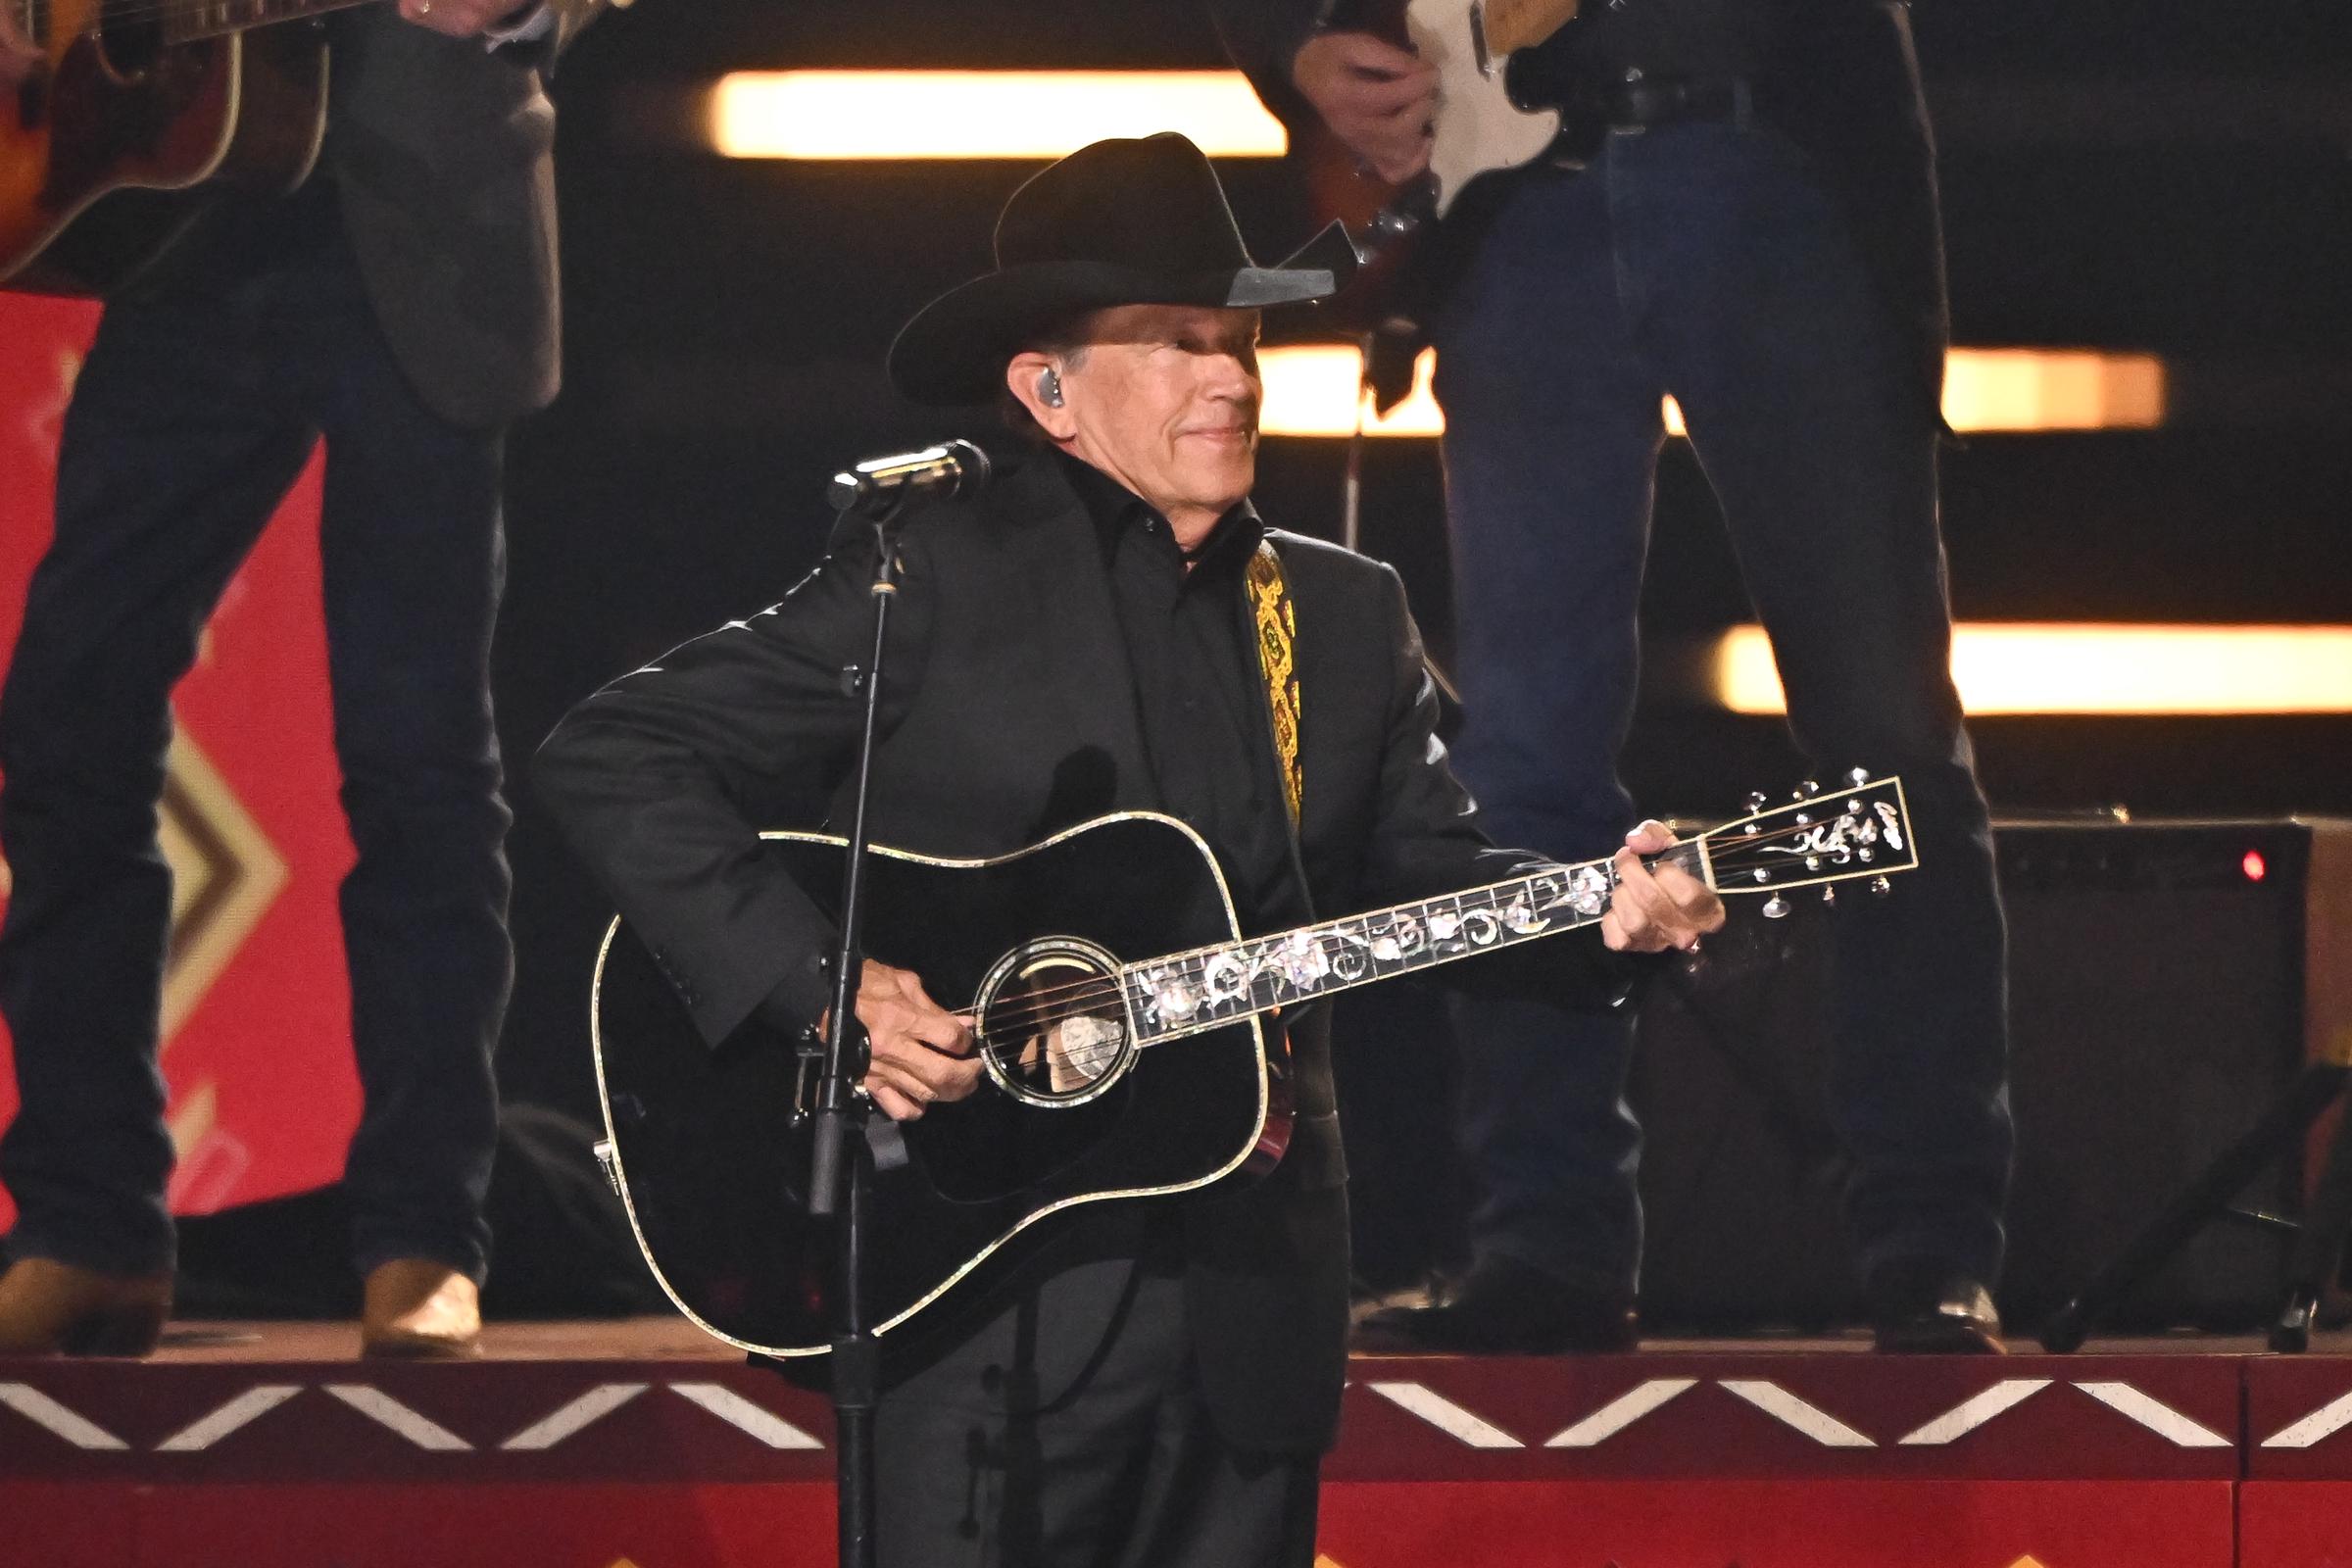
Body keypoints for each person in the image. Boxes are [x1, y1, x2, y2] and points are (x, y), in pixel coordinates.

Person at [534, 133, 1722, 1567]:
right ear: (1049, 390)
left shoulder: (1342, 619)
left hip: (1251, 1301)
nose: (1230, 376)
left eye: (1238, 341)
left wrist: (1603, 913)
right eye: (1174, 342)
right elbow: (616, 754)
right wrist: (830, 984)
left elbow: (1428, 881)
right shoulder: (934, 571)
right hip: (975, 1288)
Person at [1213, 0, 2013, 1353]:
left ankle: (1933, 1241)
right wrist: (1295, 49)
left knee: (1877, 735)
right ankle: (1548, 1242)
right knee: (1522, 751)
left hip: (1778, 168)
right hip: (1520, 208)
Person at [0, 0, 603, 1357]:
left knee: (415, 758)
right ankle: (86, 1230)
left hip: (425, 234)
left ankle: (423, 1238)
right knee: (64, 719)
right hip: (184, 234)